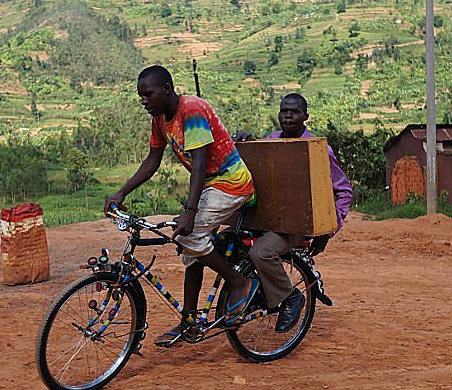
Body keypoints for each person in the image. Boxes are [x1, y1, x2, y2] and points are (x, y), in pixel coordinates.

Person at [104, 65, 257, 346]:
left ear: (166, 88)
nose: (144, 101)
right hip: (211, 186)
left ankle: (239, 283)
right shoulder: (160, 118)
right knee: (190, 249)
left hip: (230, 183)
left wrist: (190, 211)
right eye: (140, 96)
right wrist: (121, 192)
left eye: (148, 94)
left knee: (190, 234)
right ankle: (190, 320)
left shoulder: (192, 109)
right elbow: (152, 160)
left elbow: (199, 163)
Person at [235, 92, 353, 333]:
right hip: (271, 219)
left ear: (305, 116)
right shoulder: (270, 141)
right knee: (228, 243)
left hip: (299, 224)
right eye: (283, 111)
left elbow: (344, 192)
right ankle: (258, 290)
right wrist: (247, 143)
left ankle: (291, 297)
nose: (287, 116)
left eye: (294, 111)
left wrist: (327, 229)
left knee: (262, 252)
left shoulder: (318, 150)